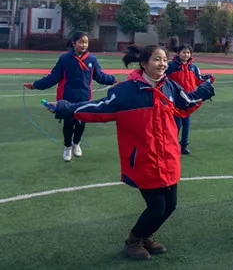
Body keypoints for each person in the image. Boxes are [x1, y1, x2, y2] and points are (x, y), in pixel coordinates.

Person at [43, 44, 215, 260]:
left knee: (170, 205)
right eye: (156, 59)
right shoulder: (126, 91)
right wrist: (65, 107)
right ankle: (133, 240)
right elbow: (99, 108)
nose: (162, 64)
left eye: (164, 59)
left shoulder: (169, 86)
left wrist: (204, 90)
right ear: (143, 63)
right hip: (143, 159)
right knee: (157, 206)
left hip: (168, 156)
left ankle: (146, 235)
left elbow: (186, 103)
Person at [24, 31, 116, 161]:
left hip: (84, 97)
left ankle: (76, 143)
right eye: (81, 42)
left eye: (86, 42)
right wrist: (35, 85)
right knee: (68, 124)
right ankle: (67, 147)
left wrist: (113, 80)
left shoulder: (92, 59)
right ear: (73, 43)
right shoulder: (64, 59)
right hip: (67, 97)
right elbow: (53, 77)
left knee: (81, 123)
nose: (84, 45)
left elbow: (99, 76)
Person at [165, 38, 213, 155]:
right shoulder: (171, 66)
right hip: (176, 100)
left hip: (189, 99)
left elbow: (198, 80)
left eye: (188, 52)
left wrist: (208, 79)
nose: (186, 55)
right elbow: (163, 80)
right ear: (178, 53)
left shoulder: (193, 67)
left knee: (187, 123)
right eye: (184, 52)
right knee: (177, 124)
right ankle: (172, 145)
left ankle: (184, 145)